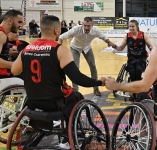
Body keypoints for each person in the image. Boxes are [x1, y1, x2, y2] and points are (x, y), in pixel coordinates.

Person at [11, 15, 106, 149]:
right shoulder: (60, 50)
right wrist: (99, 83)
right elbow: (77, 78)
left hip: (32, 101)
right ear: (57, 30)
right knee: (76, 96)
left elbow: (15, 71)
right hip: (55, 103)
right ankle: (68, 137)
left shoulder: (26, 49)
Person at [59, 16, 114, 96]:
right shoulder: (76, 29)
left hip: (87, 48)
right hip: (75, 48)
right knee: (75, 69)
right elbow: (62, 36)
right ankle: (75, 91)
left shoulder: (95, 30)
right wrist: (59, 45)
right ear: (82, 24)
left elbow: (103, 36)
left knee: (93, 67)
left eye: (88, 26)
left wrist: (109, 42)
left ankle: (96, 88)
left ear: (92, 25)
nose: (86, 28)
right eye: (85, 26)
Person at [0, 10, 24, 86]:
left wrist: (7, 52)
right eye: (19, 22)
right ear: (10, 21)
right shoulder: (1, 35)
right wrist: (15, 65)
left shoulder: (3, 34)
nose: (21, 25)